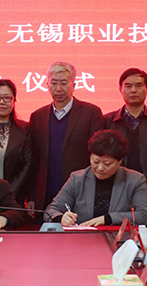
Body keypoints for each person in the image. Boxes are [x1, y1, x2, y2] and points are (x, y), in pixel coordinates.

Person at [29, 61, 104, 222]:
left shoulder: (91, 113)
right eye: (54, 83)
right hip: (46, 195)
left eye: (64, 83)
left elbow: (98, 155)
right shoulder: (37, 116)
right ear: (47, 85)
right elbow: (34, 160)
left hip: (81, 194)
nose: (58, 88)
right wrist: (32, 196)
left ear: (73, 85)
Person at [105, 68, 147, 224]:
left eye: (138, 85)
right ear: (120, 89)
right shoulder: (108, 121)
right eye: (128, 86)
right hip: (117, 193)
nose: (133, 90)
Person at [44, 130, 147, 226]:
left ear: (120, 160)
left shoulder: (135, 180)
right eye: (96, 161)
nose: (100, 168)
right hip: (82, 237)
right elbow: (51, 210)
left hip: (118, 238)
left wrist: (107, 219)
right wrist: (61, 218)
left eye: (107, 164)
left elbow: (143, 215)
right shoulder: (77, 179)